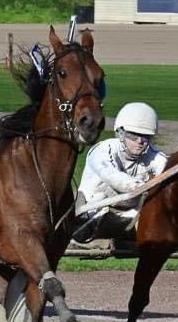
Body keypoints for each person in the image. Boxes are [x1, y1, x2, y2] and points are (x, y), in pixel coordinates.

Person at [72, 102, 168, 244]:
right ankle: (85, 233)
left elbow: (168, 169)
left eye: (145, 136)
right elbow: (112, 176)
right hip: (90, 209)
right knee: (101, 195)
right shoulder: (103, 150)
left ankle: (128, 232)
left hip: (127, 210)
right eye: (134, 136)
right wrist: (145, 187)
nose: (140, 141)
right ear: (121, 133)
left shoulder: (153, 155)